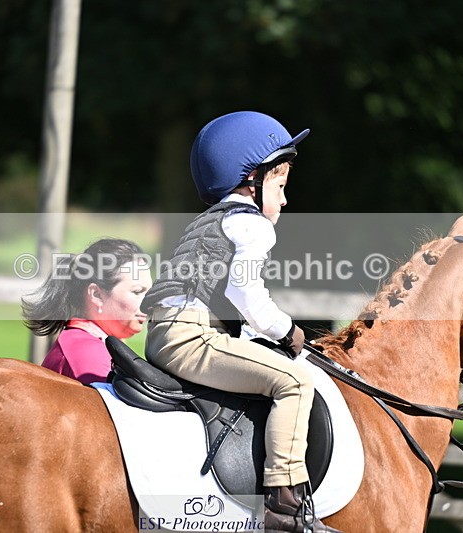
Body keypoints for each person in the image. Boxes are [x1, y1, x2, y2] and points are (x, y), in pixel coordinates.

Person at [140, 111, 339, 533]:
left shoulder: (210, 219)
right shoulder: (252, 226)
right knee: (295, 382)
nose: (284, 200)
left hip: (164, 333)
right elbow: (246, 295)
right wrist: (287, 331)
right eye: (281, 186)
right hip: (190, 336)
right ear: (253, 179)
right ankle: (285, 510)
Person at [23, 238, 152, 385]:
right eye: (137, 291)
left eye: (149, 292)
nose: (149, 304)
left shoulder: (90, 344)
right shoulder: (87, 354)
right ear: (96, 295)